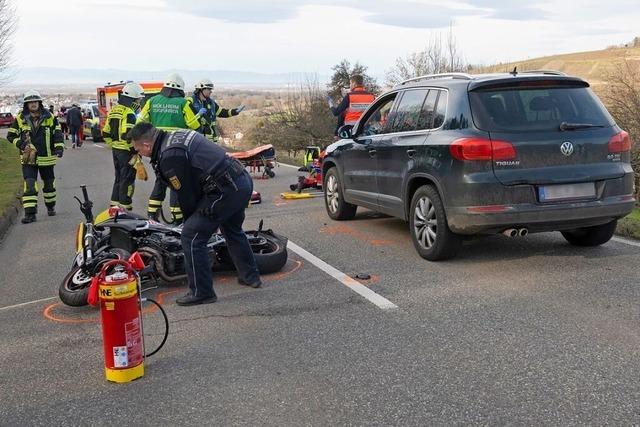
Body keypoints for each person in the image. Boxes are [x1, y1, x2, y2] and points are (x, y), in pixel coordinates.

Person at [129, 122, 262, 306]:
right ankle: (251, 276)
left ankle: (202, 292)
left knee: (191, 236)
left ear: (146, 145)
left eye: (138, 150)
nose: (139, 154)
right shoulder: (174, 135)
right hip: (240, 181)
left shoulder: (169, 155)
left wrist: (190, 220)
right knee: (232, 229)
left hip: (226, 190)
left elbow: (186, 194)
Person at [138, 73, 202, 224]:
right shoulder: (183, 103)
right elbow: (195, 125)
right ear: (180, 88)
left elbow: (140, 122)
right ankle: (177, 220)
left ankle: (152, 215)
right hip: (176, 149)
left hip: (156, 149)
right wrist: (199, 117)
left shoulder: (152, 101)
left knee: (160, 180)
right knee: (176, 182)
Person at [7, 90, 64, 224]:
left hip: (47, 157)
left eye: (35, 102)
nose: (33, 104)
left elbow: (57, 133)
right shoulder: (20, 118)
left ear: (39, 103)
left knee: (49, 185)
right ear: (26, 104)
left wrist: (59, 147)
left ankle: (50, 206)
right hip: (28, 158)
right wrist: (20, 144)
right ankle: (30, 214)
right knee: (30, 185)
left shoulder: (50, 117)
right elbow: (11, 136)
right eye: (30, 102)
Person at [102, 82, 145, 210]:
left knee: (118, 179)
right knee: (128, 182)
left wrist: (114, 145)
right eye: (138, 100)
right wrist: (135, 151)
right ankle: (125, 210)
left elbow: (105, 132)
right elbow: (128, 135)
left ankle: (114, 209)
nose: (139, 103)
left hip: (116, 151)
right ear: (132, 99)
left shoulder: (115, 110)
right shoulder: (129, 113)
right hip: (127, 152)